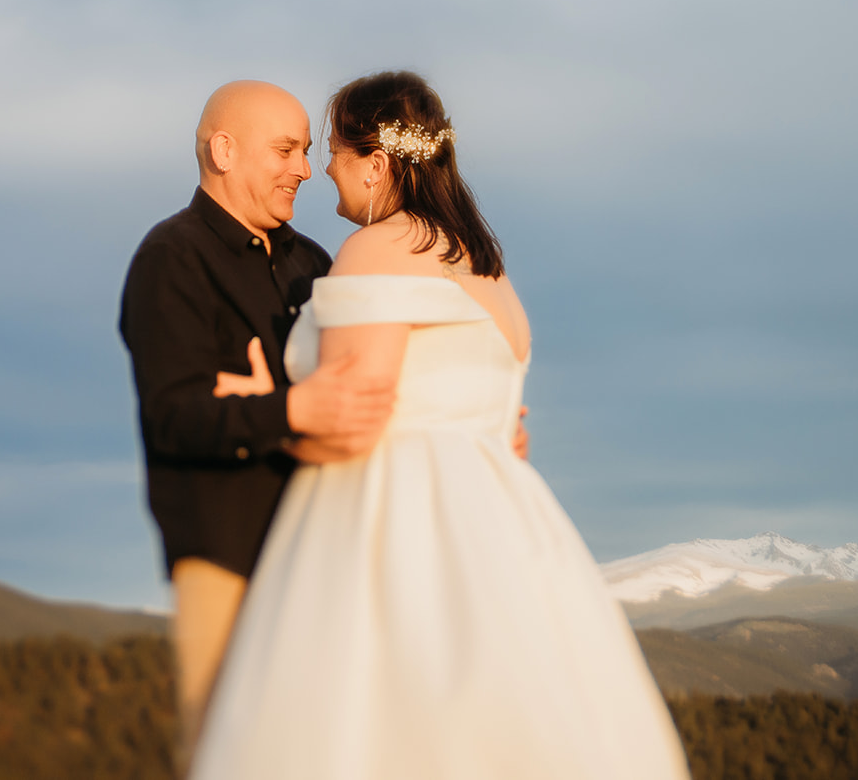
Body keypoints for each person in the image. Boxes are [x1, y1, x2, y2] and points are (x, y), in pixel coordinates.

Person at [189, 71, 691, 780]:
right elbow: (498, 425)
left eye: (334, 148)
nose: (324, 165)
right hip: (504, 530)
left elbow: (353, 418)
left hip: (388, 521)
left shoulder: (381, 248)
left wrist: (260, 410)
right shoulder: (489, 270)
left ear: (378, 162)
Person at [117, 80, 400, 767]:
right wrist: (288, 407)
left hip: (319, 547)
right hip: (227, 555)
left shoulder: (312, 263)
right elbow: (172, 415)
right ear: (222, 150)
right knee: (231, 750)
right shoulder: (171, 258)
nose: (304, 168)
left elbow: (361, 382)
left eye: (306, 150)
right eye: (285, 149)